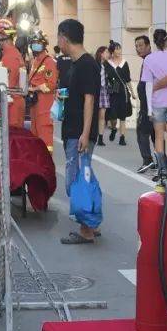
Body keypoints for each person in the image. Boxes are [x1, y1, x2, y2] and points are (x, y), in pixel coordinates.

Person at [57, 18, 101, 245]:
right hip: (73, 130)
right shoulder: (76, 64)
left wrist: (85, 133)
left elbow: (90, 100)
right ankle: (92, 222)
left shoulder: (86, 64)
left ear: (64, 37)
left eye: (58, 37)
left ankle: (86, 230)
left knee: (75, 181)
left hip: (78, 134)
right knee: (84, 177)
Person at [141, 28, 167, 163]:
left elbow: (148, 85)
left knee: (159, 136)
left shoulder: (149, 59)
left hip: (157, 102)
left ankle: (162, 168)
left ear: (154, 42)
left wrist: (149, 108)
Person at [27, 30, 58, 152]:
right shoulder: (35, 61)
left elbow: (51, 85)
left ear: (44, 44)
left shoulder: (49, 62)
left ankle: (47, 163)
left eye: (38, 43)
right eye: (33, 43)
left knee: (45, 135)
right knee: (34, 134)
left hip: (44, 107)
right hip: (35, 105)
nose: (35, 45)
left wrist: (35, 88)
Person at [0, 18, 26, 128]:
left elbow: (8, 84)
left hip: (12, 106)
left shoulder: (10, 57)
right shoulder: (12, 54)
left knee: (10, 141)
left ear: (3, 37)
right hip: (13, 103)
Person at [133, 35, 154, 174]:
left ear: (148, 46)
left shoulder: (150, 61)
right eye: (136, 46)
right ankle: (159, 161)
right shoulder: (147, 60)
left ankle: (148, 160)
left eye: (141, 45)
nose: (138, 48)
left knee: (142, 131)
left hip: (149, 105)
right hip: (149, 104)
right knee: (154, 133)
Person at [105, 41, 132, 145]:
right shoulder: (107, 64)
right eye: (116, 49)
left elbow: (128, 79)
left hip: (122, 92)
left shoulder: (124, 63)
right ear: (112, 51)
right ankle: (113, 129)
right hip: (112, 92)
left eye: (119, 48)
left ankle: (122, 138)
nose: (119, 51)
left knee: (122, 116)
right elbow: (104, 78)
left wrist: (132, 92)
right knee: (112, 116)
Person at [94, 45, 111, 148]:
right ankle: (93, 135)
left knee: (102, 116)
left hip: (104, 91)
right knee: (94, 115)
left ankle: (100, 137)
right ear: (101, 53)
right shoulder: (95, 64)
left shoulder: (106, 65)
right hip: (96, 91)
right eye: (106, 52)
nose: (108, 54)